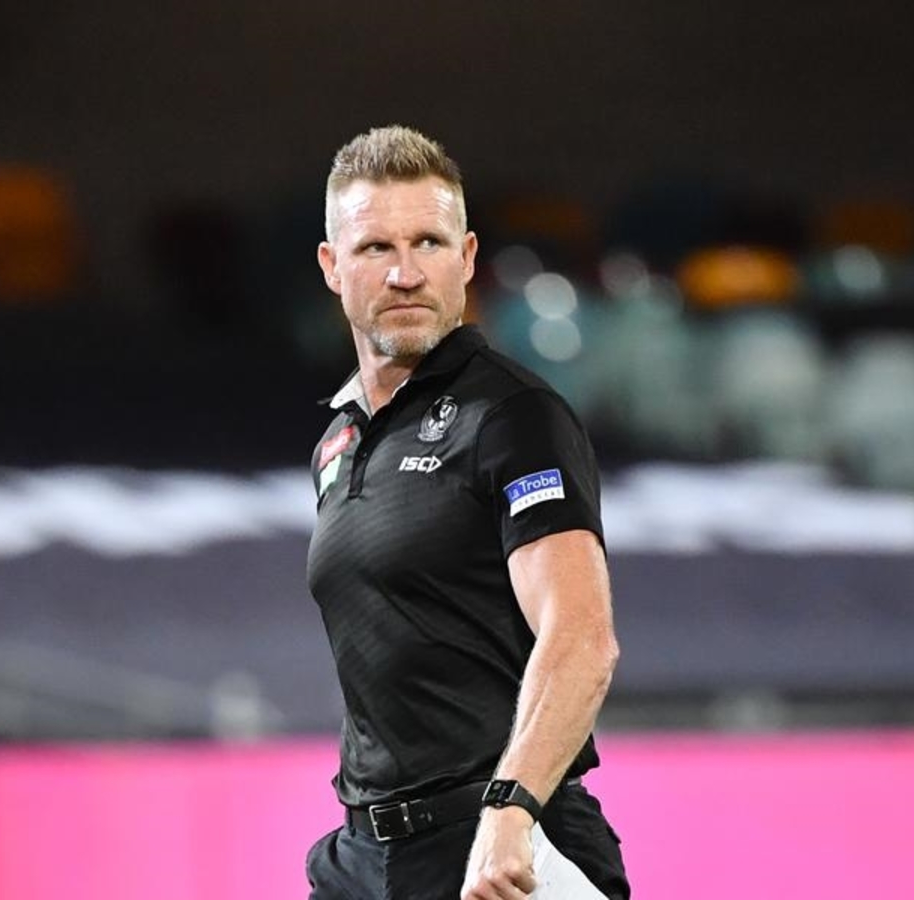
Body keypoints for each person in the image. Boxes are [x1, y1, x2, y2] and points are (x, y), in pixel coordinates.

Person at [305, 125, 630, 900]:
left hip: (503, 847)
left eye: (429, 242)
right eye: (376, 248)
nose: (406, 273)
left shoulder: (513, 416)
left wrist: (511, 809)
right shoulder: (337, 443)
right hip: (367, 860)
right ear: (332, 266)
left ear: (468, 256)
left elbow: (583, 638)